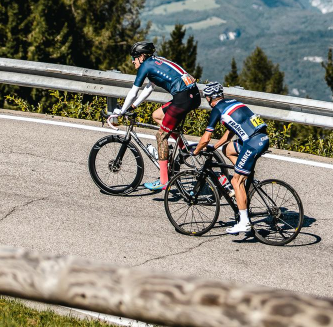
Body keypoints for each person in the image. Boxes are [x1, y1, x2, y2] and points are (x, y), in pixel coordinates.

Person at [109, 41, 201, 192]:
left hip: (183, 98)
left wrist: (121, 111)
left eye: (135, 57)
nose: (133, 60)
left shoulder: (145, 66)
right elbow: (149, 88)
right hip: (191, 95)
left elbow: (133, 92)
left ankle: (164, 181)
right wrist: (132, 106)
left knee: (161, 136)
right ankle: (184, 149)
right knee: (157, 115)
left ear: (143, 56)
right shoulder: (155, 62)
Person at [193, 82, 269, 235]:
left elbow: (205, 138)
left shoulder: (217, 109)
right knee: (228, 149)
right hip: (261, 138)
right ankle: (244, 175)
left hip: (252, 143)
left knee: (235, 181)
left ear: (209, 98)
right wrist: (215, 147)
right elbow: (230, 132)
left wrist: (195, 152)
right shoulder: (234, 103)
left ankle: (244, 222)